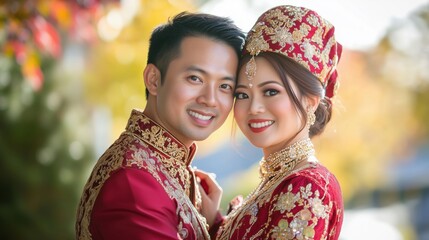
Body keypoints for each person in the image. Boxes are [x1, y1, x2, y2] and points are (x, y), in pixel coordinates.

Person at [75, 11, 244, 240]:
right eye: (195, 78)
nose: (210, 99)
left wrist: (212, 221)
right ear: (154, 80)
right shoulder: (133, 181)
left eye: (225, 86)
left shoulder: (163, 166)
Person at [197, 5, 344, 239]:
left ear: (311, 101)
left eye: (271, 92)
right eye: (242, 95)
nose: (253, 108)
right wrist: (215, 221)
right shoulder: (277, 181)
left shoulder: (308, 186)